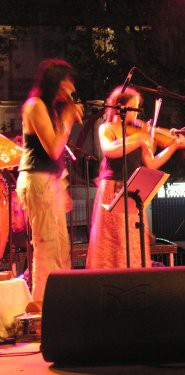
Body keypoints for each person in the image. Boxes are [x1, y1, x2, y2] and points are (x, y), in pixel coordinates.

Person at [86, 86, 185, 269]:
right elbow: (110, 150)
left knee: (133, 239)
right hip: (112, 189)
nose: (136, 115)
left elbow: (151, 163)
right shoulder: (107, 128)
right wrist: (140, 139)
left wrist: (173, 146)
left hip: (134, 190)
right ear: (120, 107)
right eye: (133, 109)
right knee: (113, 241)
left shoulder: (136, 132)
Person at [16, 59, 83, 302]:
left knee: (61, 247)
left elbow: (55, 158)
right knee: (47, 245)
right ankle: (42, 306)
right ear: (56, 82)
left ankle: (59, 303)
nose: (72, 87)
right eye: (68, 81)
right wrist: (67, 117)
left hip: (49, 181)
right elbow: (53, 149)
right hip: (36, 179)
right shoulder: (34, 106)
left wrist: (62, 186)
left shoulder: (49, 108)